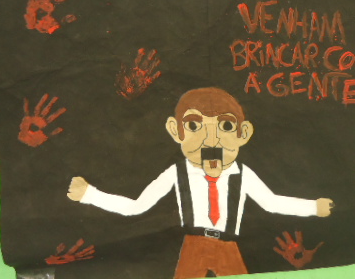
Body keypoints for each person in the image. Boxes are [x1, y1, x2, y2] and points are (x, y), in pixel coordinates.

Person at [68, 87, 334, 278]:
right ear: (176, 131)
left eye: (225, 126)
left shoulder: (242, 174)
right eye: (195, 126)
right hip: (194, 245)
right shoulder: (177, 173)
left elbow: (271, 202)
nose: (211, 138)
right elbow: (137, 206)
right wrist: (89, 194)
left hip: (228, 246)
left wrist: (314, 207)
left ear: (243, 134)